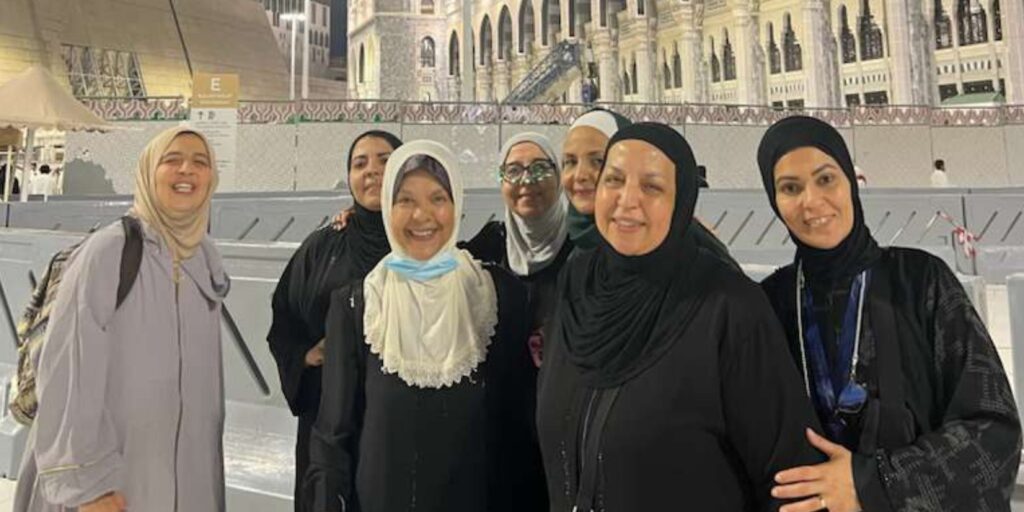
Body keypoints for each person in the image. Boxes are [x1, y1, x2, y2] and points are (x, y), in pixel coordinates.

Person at [537, 122, 823, 511]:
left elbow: (792, 479)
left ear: (681, 201)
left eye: (652, 186)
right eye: (614, 180)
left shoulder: (728, 306)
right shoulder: (576, 284)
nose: (627, 200)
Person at [757, 116, 1021, 512]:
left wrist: (873, 483)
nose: (811, 200)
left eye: (825, 179)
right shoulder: (770, 303)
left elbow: (993, 435)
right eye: (790, 188)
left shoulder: (920, 281)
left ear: (850, 182)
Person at [304, 140, 547, 512]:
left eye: (437, 198)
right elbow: (332, 438)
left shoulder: (496, 297)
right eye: (405, 200)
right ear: (388, 207)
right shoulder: (359, 306)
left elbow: (520, 430)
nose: (422, 215)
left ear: (456, 204)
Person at [14, 127, 229, 511]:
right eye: (172, 160)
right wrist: (86, 486)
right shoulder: (111, 250)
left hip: (186, 477)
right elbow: (67, 370)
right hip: (111, 482)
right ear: (148, 172)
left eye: (201, 162)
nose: (187, 170)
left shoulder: (204, 260)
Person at [268, 130, 402, 512]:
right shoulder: (324, 245)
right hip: (328, 413)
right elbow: (285, 314)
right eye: (360, 164)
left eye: (385, 160)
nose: (372, 171)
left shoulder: (421, 241)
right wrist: (303, 356)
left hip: (398, 415)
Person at [561, 108, 738, 269]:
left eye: (598, 161)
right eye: (570, 161)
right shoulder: (564, 246)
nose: (580, 175)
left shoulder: (689, 246)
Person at [457, 133, 571, 366]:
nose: (526, 180)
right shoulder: (488, 247)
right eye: (513, 171)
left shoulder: (581, 250)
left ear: (559, 177)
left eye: (539, 168)